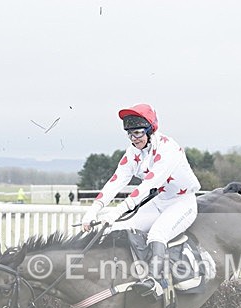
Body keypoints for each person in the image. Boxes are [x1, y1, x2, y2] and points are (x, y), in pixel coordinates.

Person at [81, 103, 201, 297]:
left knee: (157, 234)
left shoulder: (169, 149)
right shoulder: (133, 152)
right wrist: (93, 210)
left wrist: (115, 212)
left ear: (150, 130)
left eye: (137, 133)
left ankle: (156, 282)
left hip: (181, 202)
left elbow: (146, 187)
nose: (133, 139)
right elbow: (116, 181)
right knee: (116, 229)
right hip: (159, 201)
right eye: (130, 134)